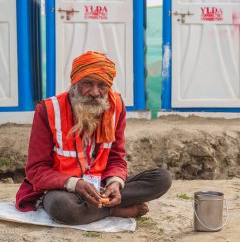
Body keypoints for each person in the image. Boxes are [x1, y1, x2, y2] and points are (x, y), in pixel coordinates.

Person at [15, 51, 172, 225]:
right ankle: (114, 210)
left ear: (109, 87)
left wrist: (115, 183)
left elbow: (116, 158)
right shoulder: (48, 110)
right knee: (63, 207)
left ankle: (101, 205)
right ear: (75, 83)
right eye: (87, 84)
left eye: (102, 85)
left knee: (161, 178)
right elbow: (36, 170)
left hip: (101, 185)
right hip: (63, 189)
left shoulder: (116, 107)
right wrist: (76, 184)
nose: (95, 92)